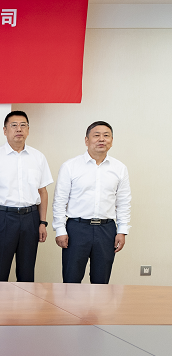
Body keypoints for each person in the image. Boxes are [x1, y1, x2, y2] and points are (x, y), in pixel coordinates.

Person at [53, 121, 131, 284]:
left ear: (111, 141)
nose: (101, 139)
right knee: (71, 280)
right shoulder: (70, 166)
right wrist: (60, 229)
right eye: (96, 135)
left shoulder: (119, 168)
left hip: (106, 230)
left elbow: (123, 201)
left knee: (101, 281)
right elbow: (60, 200)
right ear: (86, 140)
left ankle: (99, 303)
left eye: (106, 135)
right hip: (77, 229)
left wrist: (122, 230)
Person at [0, 111, 53, 282]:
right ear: (5, 130)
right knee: (0, 270)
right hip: (2, 217)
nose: (19, 129)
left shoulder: (38, 157)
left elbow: (42, 191)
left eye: (23, 125)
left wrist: (42, 222)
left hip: (31, 218)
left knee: (27, 271)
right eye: (13, 125)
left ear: (28, 130)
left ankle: (26, 301)